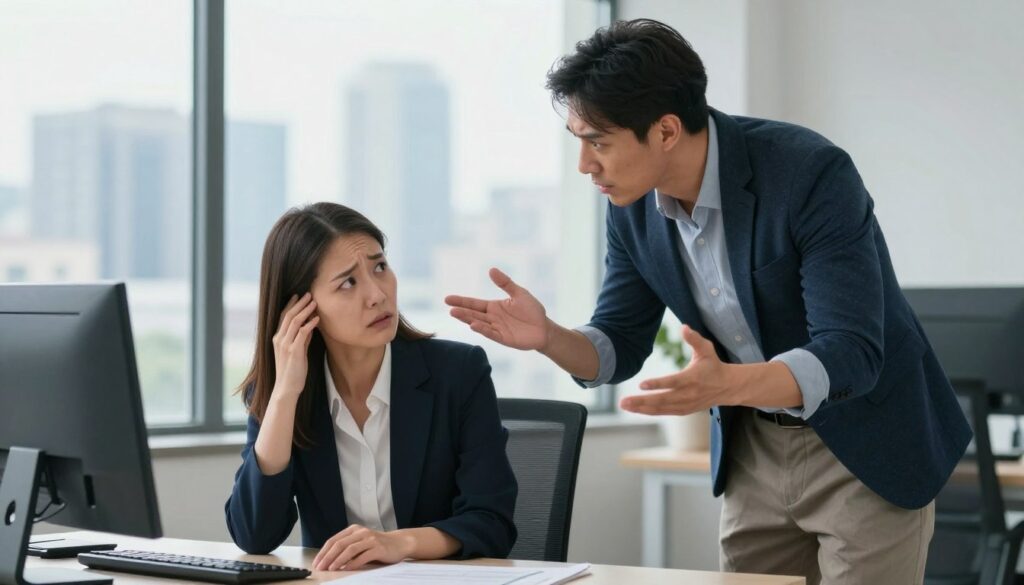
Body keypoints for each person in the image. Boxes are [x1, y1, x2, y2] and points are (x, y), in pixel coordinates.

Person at [445, 18, 970, 584]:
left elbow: (851, 353)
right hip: (755, 453)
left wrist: (728, 385)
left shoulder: (809, 173)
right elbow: (618, 343)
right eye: (579, 142)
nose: (585, 165)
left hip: (867, 445)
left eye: (598, 142)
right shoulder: (631, 207)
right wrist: (550, 338)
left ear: (666, 130)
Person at [225, 202, 517, 570]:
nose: (377, 294)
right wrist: (284, 395)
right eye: (348, 282)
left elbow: (492, 523)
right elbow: (254, 535)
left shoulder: (458, 373)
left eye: (380, 267)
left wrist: (398, 543)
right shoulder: (280, 394)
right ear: (300, 309)